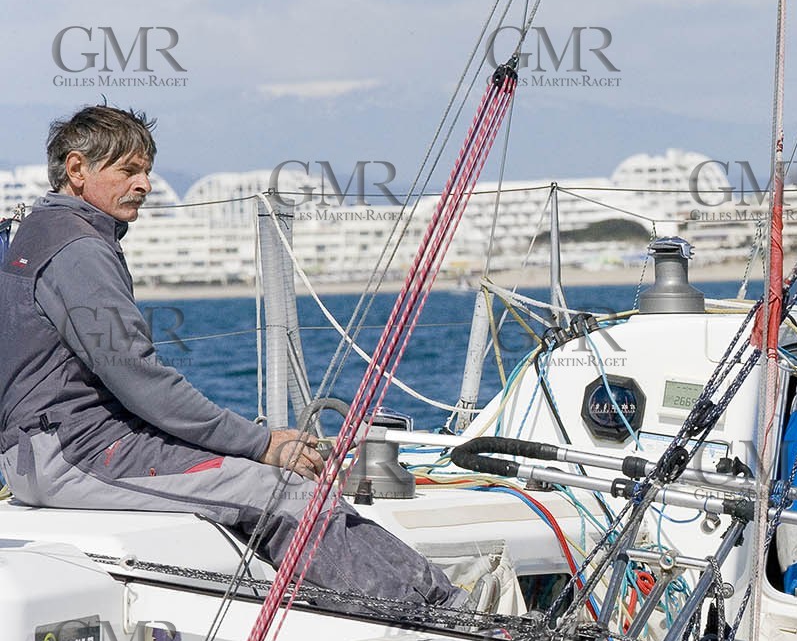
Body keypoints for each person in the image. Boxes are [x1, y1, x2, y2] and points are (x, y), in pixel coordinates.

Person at [0, 105, 466, 612]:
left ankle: (429, 597)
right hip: (73, 455)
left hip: (53, 448)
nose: (145, 184)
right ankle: (438, 610)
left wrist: (250, 443)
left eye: (147, 171)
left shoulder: (42, 234)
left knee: (275, 479)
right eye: (129, 170)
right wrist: (261, 443)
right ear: (76, 170)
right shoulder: (79, 251)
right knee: (285, 492)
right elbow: (141, 381)